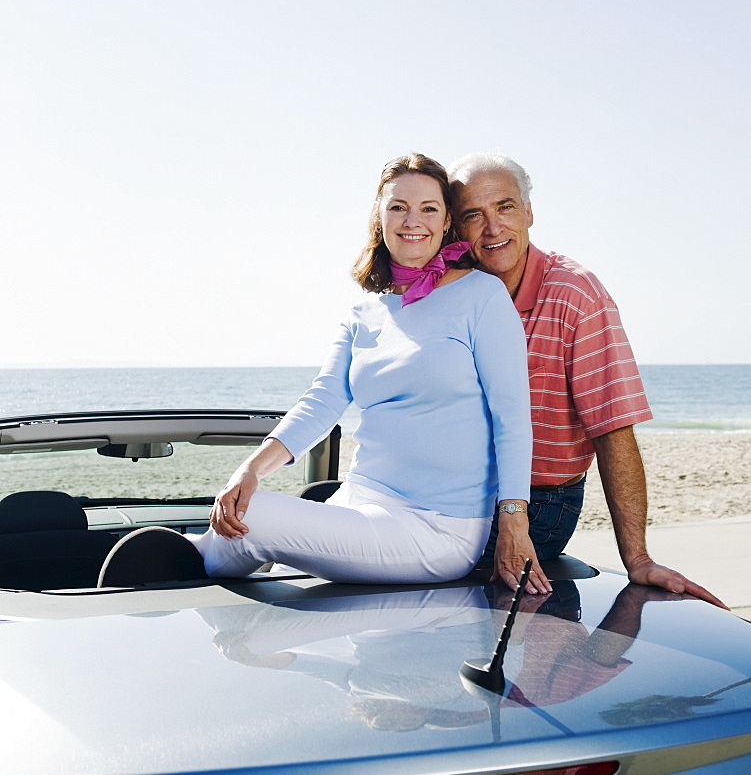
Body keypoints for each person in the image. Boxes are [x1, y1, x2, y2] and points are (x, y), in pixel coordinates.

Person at [199, 153, 548, 593]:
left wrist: (515, 522)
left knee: (254, 518)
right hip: (359, 501)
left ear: (446, 224)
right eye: (398, 206)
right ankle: (179, 565)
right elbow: (323, 400)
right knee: (250, 513)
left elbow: (512, 417)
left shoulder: (481, 296)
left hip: (437, 528)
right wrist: (250, 470)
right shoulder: (364, 312)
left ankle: (181, 565)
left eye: (429, 209)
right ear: (380, 218)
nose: (412, 220)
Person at [447, 152, 725, 608]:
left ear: (529, 212)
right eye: (473, 215)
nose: (493, 228)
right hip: (452, 491)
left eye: (505, 207)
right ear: (456, 228)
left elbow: (613, 428)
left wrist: (637, 558)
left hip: (539, 504)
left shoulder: (576, 295)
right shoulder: (452, 289)